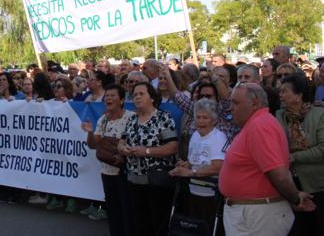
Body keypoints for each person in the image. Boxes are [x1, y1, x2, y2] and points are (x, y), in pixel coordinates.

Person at [220, 83, 315, 236]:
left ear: (255, 103)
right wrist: (294, 198)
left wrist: (295, 198)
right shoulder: (257, 124)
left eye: (236, 103)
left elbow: (278, 174)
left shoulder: (260, 125)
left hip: (258, 215)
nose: (231, 108)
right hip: (252, 213)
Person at [118, 82, 178, 236]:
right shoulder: (132, 119)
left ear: (152, 97)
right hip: (134, 180)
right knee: (140, 223)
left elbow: (172, 147)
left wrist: (147, 151)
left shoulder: (162, 117)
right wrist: (123, 149)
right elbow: (121, 142)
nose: (137, 97)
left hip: (157, 181)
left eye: (141, 93)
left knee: (158, 223)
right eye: (135, 94)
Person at [82, 84, 133, 236]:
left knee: (127, 209)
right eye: (107, 96)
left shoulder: (131, 117)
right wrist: (90, 133)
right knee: (113, 210)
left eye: (113, 95)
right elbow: (92, 145)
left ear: (122, 100)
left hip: (125, 171)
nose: (109, 98)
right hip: (107, 171)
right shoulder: (103, 119)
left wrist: (122, 155)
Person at [169, 99, 227, 232]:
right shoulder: (195, 135)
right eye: (198, 117)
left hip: (211, 196)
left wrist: (191, 173)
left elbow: (218, 166)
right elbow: (196, 161)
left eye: (205, 118)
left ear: (214, 120)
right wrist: (186, 165)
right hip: (192, 192)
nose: (200, 121)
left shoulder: (219, 137)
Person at [276, 74, 324, 235]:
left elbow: (323, 148)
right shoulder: (279, 116)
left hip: (316, 183)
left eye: (285, 91)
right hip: (289, 183)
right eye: (280, 91)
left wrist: (295, 157)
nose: (280, 95)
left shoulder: (319, 115)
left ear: (298, 95)